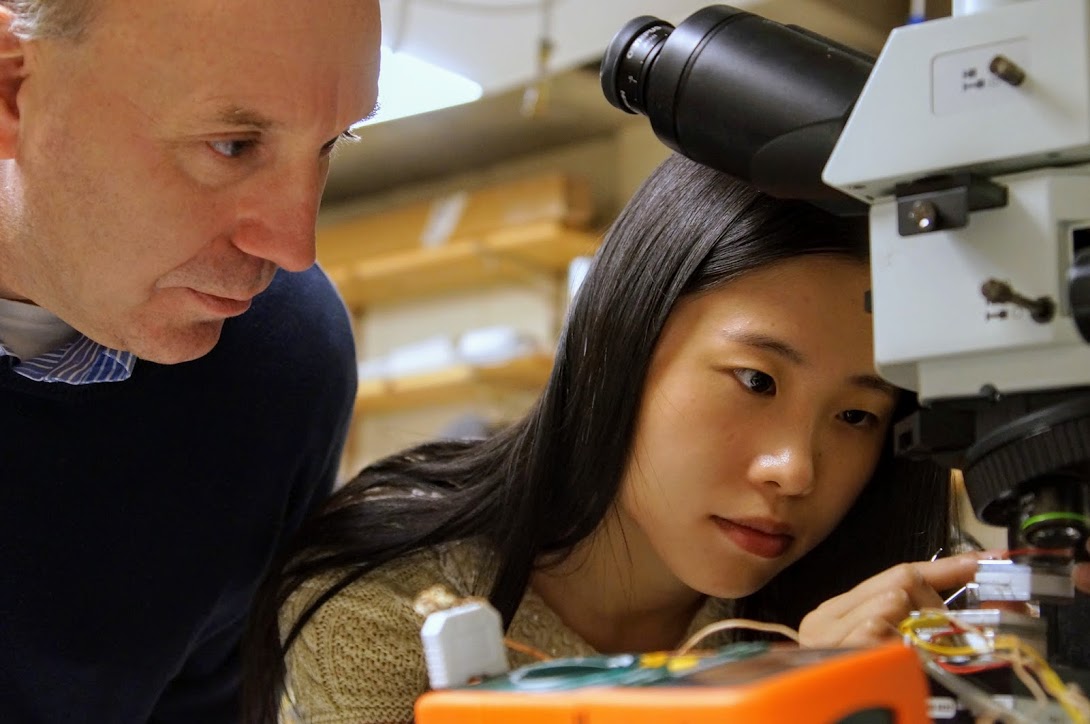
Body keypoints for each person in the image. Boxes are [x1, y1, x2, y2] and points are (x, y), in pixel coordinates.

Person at [244, 153, 978, 724]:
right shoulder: (389, 601)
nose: (794, 471)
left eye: (856, 417)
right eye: (756, 381)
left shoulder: (855, 611)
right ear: (619, 341)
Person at [0, 0, 380, 721]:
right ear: (13, 87)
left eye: (334, 141)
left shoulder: (282, 363)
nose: (294, 247)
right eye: (233, 145)